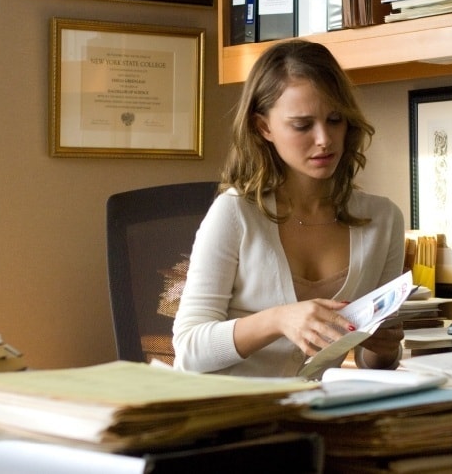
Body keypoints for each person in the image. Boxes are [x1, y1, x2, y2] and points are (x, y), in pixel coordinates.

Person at [172, 39, 405, 378]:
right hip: (219, 415)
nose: (324, 139)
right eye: (302, 125)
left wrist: (382, 350)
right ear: (263, 127)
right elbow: (189, 349)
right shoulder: (235, 213)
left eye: (335, 119)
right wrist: (279, 319)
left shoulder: (383, 221)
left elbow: (372, 362)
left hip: (308, 416)